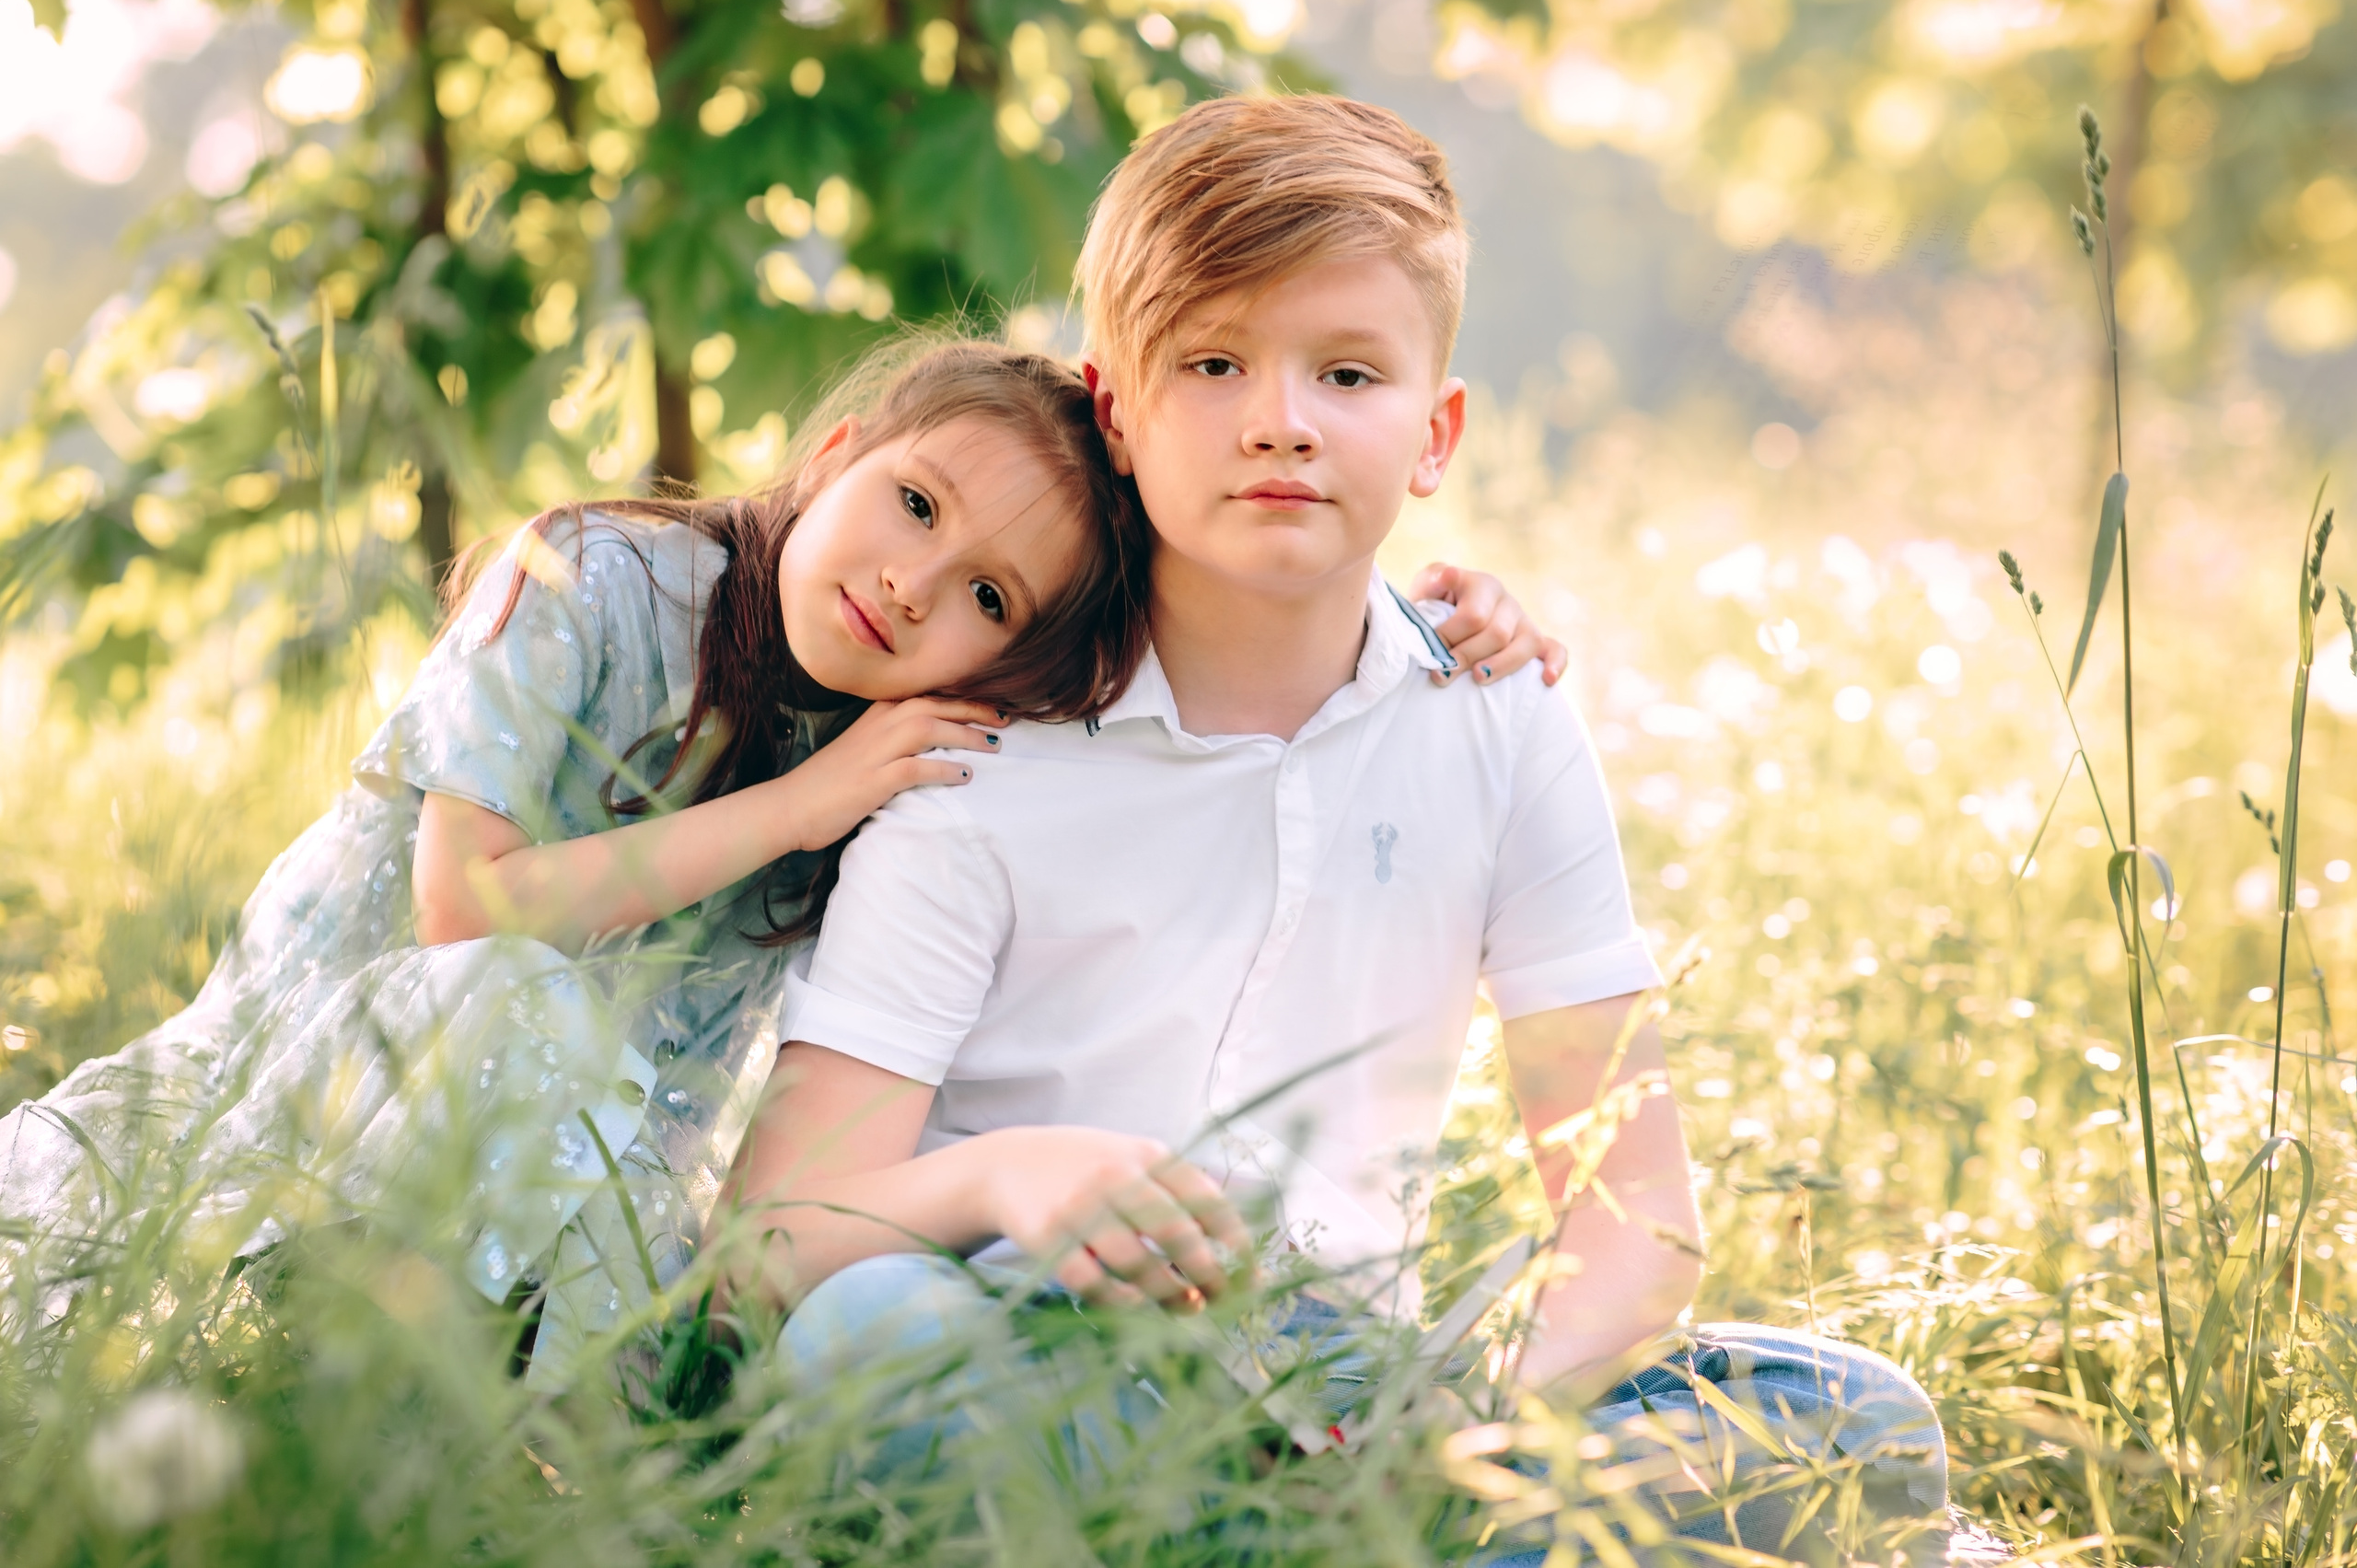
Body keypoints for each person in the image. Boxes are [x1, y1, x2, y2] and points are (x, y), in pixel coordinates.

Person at [724, 97, 1953, 1556]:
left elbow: (1635, 1219)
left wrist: (1476, 1426)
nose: (1280, 421)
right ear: (1115, 412)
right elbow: (776, 1243)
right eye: (1214, 362)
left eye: (1348, 372)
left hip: (1366, 1396)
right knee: (868, 1340)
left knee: (1851, 1424)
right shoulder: (984, 756)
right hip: (1037, 1353)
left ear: (1434, 435)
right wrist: (1008, 1176)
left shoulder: (1496, 719)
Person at [0, 331, 1562, 1385]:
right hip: (301, 1114)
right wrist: (801, 812)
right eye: (915, 503)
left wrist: (1430, 627)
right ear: (836, 450)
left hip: (557, 1223)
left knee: (724, 1325)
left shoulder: (900, 746)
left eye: (992, 599)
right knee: (515, 1015)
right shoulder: (590, 578)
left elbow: (1204, 669)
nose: (913, 582)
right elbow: (461, 917)